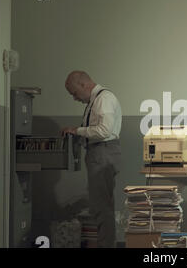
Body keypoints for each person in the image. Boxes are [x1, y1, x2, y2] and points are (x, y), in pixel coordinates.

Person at [62, 71, 122, 248]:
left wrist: (77, 131)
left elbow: (104, 130)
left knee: (102, 208)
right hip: (100, 152)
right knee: (101, 207)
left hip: (102, 153)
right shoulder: (95, 101)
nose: (75, 98)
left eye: (74, 93)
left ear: (83, 85)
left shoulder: (104, 99)